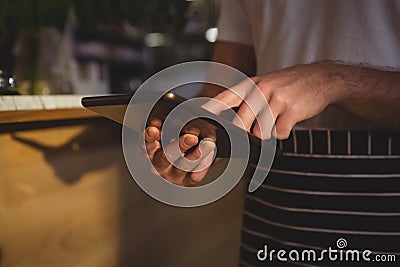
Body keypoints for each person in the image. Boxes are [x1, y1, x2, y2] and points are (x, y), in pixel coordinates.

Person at [145, 0, 400, 265]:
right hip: (272, 206)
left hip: (385, 208)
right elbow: (222, 92)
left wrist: (332, 80)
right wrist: (196, 133)